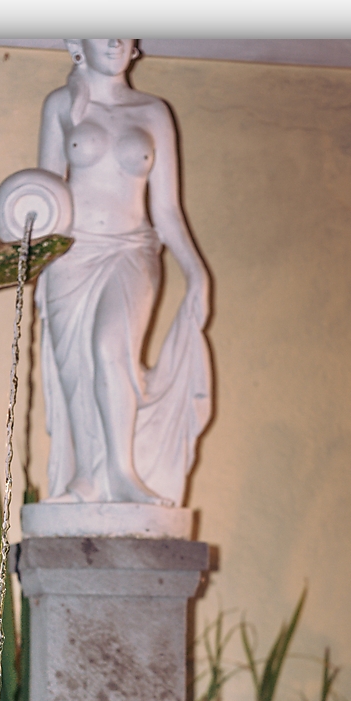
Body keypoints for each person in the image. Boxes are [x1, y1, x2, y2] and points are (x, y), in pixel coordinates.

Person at [35, 38, 212, 507]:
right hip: (70, 255)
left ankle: (122, 472)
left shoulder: (154, 112)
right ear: (77, 42)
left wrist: (196, 272)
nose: (113, 40)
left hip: (132, 250)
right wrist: (28, 242)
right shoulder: (61, 105)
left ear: (135, 45)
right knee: (77, 367)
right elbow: (45, 193)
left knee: (111, 348)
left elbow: (167, 209)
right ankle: (87, 478)